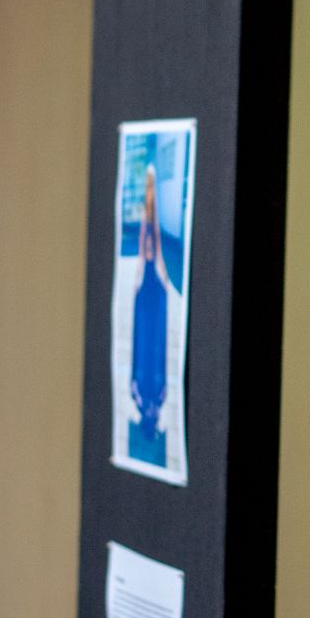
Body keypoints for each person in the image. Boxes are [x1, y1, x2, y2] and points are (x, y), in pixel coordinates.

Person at [131, 166, 169, 444]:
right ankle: (151, 184)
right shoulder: (156, 396)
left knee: (150, 229)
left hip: (150, 294)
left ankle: (151, 183)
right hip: (151, 296)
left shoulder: (141, 395)